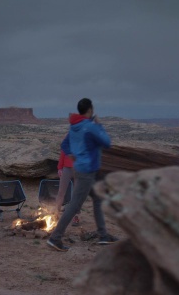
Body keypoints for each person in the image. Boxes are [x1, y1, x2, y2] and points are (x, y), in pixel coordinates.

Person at [47, 98, 118, 251]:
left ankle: (103, 235)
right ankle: (55, 237)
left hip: (84, 170)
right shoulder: (89, 127)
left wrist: (72, 154)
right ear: (90, 110)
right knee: (74, 204)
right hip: (87, 171)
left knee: (98, 199)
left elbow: (64, 144)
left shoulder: (74, 127)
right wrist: (99, 125)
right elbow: (106, 142)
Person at [55, 149, 80, 226]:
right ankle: (56, 213)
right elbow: (63, 153)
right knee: (61, 192)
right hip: (66, 168)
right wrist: (60, 168)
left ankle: (76, 216)